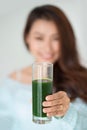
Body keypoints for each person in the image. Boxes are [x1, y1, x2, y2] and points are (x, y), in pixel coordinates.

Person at [0, 4, 87, 130]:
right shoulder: (11, 84)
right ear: (27, 38)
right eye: (39, 38)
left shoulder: (81, 78)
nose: (47, 48)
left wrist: (68, 113)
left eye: (56, 38)